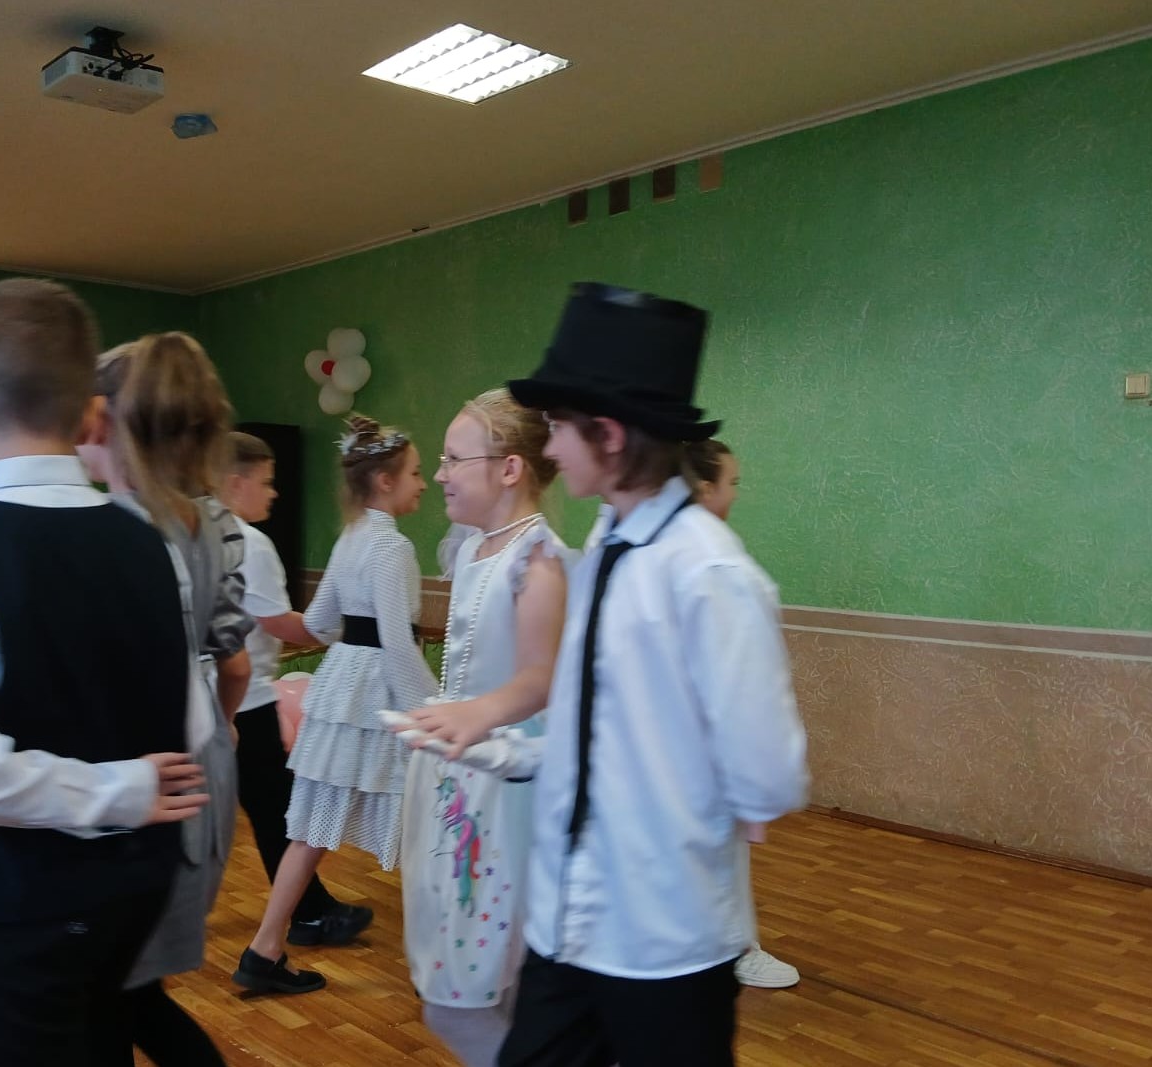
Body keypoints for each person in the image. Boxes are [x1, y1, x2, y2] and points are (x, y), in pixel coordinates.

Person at [0, 278, 209, 1067]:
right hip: (133, 894)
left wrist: (114, 789)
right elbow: (193, 721)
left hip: (16, 914)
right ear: (92, 416)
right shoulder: (151, 546)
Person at [498, 282, 808, 1066]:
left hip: (663, 940)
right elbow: (596, 726)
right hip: (568, 923)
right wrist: (503, 748)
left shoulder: (708, 572)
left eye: (558, 427)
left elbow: (768, 771)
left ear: (606, 434)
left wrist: (718, 797)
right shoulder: (607, 544)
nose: (550, 449)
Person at [394, 388, 570, 1067]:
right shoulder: (472, 550)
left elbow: (539, 677)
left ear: (510, 468)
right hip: (460, 776)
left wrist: (473, 713)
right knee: (486, 988)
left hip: (506, 784)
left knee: (468, 996)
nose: (440, 473)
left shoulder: (538, 558)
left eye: (453, 459)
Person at [233, 415, 437, 995]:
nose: (424, 483)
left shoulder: (350, 537)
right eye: (416, 473)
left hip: (341, 683)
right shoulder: (392, 546)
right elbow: (396, 642)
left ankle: (265, 947)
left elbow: (321, 623)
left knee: (312, 829)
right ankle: (436, 961)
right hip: (375, 691)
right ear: (385, 482)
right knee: (420, 817)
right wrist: (434, 707)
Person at [92, 332, 250, 1067]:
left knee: (116, 993)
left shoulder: (111, 529)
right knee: (131, 989)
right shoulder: (214, 522)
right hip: (204, 759)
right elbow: (235, 662)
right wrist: (222, 729)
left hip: (146, 773)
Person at [218, 431, 373, 947]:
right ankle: (308, 913)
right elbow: (278, 622)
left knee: (265, 810)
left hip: (214, 697)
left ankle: (310, 908)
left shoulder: (194, 534)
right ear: (235, 483)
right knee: (279, 812)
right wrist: (343, 631)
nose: (274, 492)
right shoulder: (249, 542)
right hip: (245, 698)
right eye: (266, 482)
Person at [684, 438, 800, 991]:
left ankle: (730, 943)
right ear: (704, 488)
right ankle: (733, 947)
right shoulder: (713, 565)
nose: (734, 495)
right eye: (730, 483)